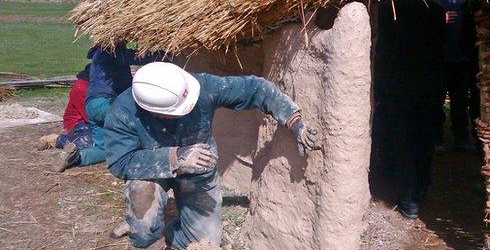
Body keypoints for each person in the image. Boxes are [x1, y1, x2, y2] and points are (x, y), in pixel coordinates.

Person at [104, 62, 317, 249]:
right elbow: (120, 161)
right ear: (152, 111)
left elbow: (255, 88)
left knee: (204, 241)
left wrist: (294, 121)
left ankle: (167, 227)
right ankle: (145, 233)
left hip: (198, 171)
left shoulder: (198, 87)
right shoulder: (123, 112)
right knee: (141, 195)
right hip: (153, 171)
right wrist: (174, 157)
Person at [377, 0, 446, 219]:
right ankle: (423, 186)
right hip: (430, 86)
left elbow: (383, 54)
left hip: (398, 89)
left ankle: (409, 199)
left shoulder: (387, 11)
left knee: (403, 142)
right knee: (425, 139)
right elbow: (441, 50)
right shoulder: (436, 9)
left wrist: (378, 90)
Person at [54, 44, 167, 172]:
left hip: (92, 106)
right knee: (142, 119)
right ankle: (156, 148)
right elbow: (138, 57)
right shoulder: (110, 50)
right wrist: (164, 55)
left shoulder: (98, 55)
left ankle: (76, 156)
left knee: (105, 149)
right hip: (106, 103)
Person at [426, 0, 477, 153]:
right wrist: (440, 20)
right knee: (436, 102)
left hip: (460, 58)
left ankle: (461, 138)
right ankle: (436, 140)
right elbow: (422, 27)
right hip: (439, 59)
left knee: (460, 101)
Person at [37, 65, 94, 152]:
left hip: (90, 119)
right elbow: (89, 115)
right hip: (78, 122)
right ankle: (57, 140)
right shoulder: (81, 87)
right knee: (91, 141)